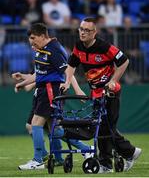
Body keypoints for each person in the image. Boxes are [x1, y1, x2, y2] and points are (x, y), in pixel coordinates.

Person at [61, 17, 142, 173]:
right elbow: (71, 65)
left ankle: (108, 162)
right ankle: (129, 152)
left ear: (94, 32)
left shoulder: (104, 47)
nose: (82, 33)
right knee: (103, 127)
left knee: (105, 127)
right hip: (96, 93)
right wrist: (67, 82)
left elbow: (124, 61)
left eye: (86, 30)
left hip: (110, 93)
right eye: (81, 29)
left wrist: (113, 80)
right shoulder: (78, 46)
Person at [13, 23, 93, 170]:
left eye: (33, 37)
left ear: (43, 36)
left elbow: (67, 71)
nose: (31, 41)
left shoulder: (54, 50)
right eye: (30, 38)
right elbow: (40, 74)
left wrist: (78, 90)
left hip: (51, 90)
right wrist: (23, 81)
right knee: (55, 129)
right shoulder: (42, 49)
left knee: (35, 123)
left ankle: (38, 160)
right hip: (44, 90)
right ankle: (85, 149)